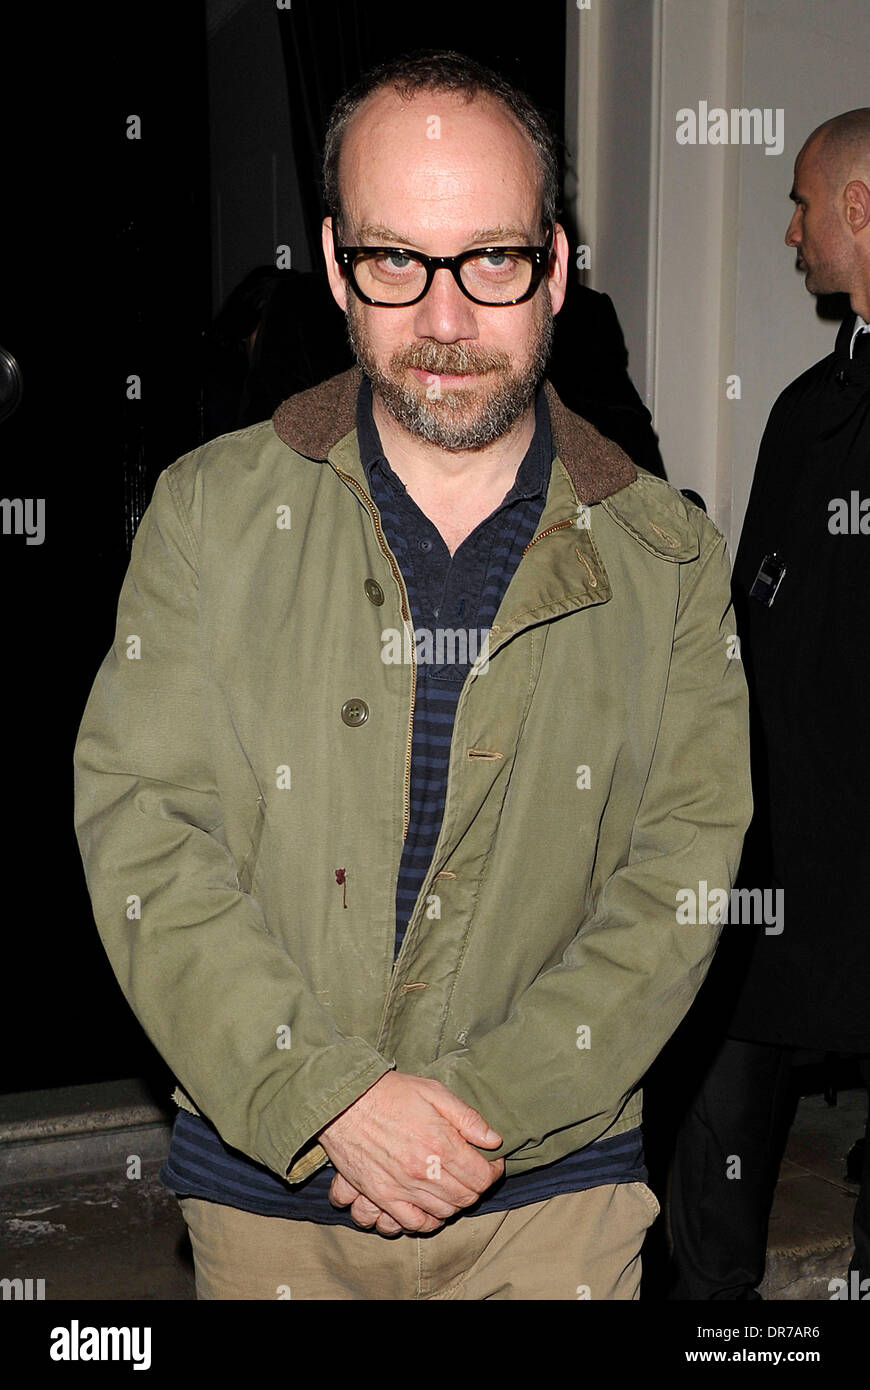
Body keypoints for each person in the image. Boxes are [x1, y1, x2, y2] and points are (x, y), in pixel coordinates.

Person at [73, 50, 751, 1301]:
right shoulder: (207, 516)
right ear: (335, 264)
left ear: (555, 264)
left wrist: (471, 1114)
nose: (444, 321)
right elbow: (145, 837)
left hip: (555, 1190)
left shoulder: (672, 560)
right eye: (396, 261)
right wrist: (328, 1095)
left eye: (490, 258)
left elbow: (680, 877)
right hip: (271, 1186)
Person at [668, 108, 870, 1301]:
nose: (790, 232)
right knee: (715, 1127)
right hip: (770, 852)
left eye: (803, 203)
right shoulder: (805, 408)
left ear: (857, 205)